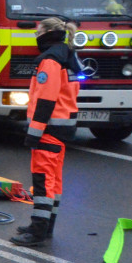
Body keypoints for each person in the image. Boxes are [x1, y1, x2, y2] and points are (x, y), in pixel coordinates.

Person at [10, 17, 81, 247]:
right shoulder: (67, 53)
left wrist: (34, 132)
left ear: (49, 32)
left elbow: (46, 100)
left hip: (49, 128)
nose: (36, 34)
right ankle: (46, 225)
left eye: (38, 30)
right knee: (54, 181)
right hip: (62, 127)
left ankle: (37, 232)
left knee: (42, 180)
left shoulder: (51, 59)